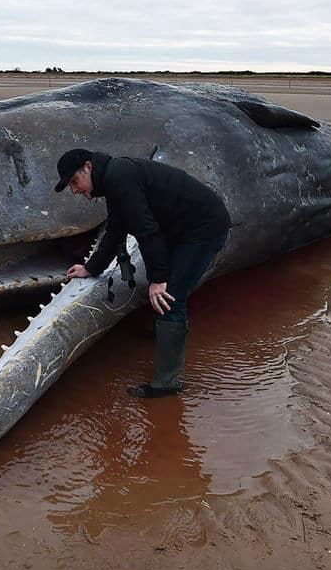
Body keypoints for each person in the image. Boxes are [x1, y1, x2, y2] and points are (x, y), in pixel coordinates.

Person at [54, 148, 231, 397]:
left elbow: (146, 230)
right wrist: (92, 268)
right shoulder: (114, 178)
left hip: (203, 228)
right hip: (182, 227)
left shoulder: (119, 177)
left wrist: (159, 279)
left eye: (75, 181)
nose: (75, 190)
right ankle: (164, 331)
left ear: (89, 167)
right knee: (162, 286)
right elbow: (116, 228)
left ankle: (167, 384)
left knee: (170, 297)